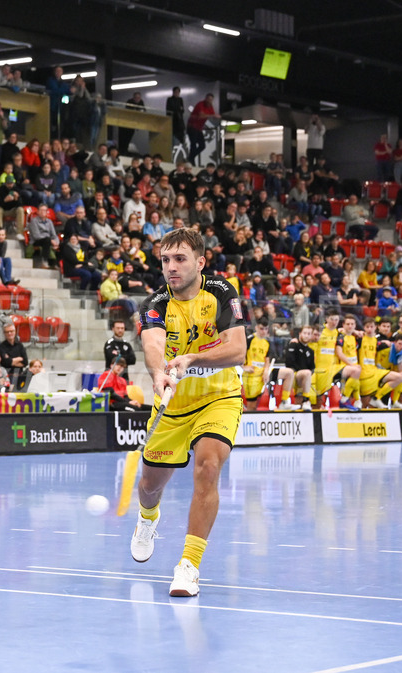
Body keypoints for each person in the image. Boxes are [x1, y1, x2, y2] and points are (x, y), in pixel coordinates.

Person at [133, 227, 246, 597]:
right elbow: (153, 344)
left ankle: (188, 566)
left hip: (219, 396)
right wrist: (158, 373)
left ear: (200, 261)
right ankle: (149, 518)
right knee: (149, 487)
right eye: (165, 260)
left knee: (208, 466)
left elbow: (237, 349)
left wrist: (194, 358)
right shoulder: (155, 303)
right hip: (173, 406)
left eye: (179, 258)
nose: (171, 267)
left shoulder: (221, 292)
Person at [283, 325, 316, 411]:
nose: (306, 335)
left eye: (309, 334)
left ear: (311, 335)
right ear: (300, 334)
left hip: (304, 378)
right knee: (306, 373)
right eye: (304, 333)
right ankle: (306, 400)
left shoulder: (310, 351)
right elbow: (289, 362)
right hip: (292, 376)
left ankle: (304, 401)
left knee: (308, 374)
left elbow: (312, 367)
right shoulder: (294, 345)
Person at [186, 93, 219, 166]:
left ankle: (191, 157)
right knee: (193, 144)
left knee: (202, 145)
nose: (209, 101)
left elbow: (212, 116)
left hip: (198, 128)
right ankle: (191, 160)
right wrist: (213, 115)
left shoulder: (210, 107)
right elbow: (201, 116)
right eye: (208, 99)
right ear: (206, 99)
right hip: (192, 126)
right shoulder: (200, 104)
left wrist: (217, 117)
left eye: (211, 100)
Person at [0, 322, 29, 389]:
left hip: (19, 375)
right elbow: (5, 363)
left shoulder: (20, 345)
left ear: (15, 332)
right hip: (7, 376)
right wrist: (19, 359)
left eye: (11, 331)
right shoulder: (1, 347)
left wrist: (11, 361)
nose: (9, 333)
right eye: (7, 332)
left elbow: (25, 362)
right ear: (4, 333)